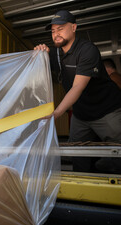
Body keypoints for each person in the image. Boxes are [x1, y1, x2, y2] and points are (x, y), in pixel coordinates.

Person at [34, 10, 121, 173]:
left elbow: (77, 87)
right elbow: (37, 66)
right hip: (81, 114)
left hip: (106, 111)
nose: (56, 34)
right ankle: (82, 190)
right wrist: (39, 52)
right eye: (53, 31)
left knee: (118, 150)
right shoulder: (55, 54)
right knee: (77, 153)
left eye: (60, 29)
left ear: (73, 27)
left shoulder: (87, 50)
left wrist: (56, 113)